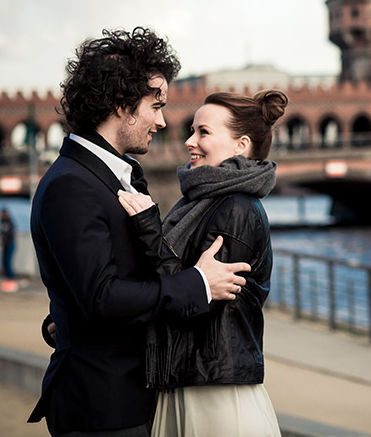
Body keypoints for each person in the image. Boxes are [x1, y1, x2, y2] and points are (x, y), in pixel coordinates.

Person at [28, 27, 250, 437]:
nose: (163, 121)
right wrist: (197, 284)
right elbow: (102, 297)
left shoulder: (118, 175)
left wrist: (65, 317)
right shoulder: (71, 186)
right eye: (155, 105)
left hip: (129, 395)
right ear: (121, 104)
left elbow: (99, 286)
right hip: (104, 407)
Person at [118, 89, 288, 436]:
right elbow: (185, 284)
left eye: (203, 132)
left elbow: (198, 300)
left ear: (241, 145)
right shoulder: (202, 203)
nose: (190, 141)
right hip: (190, 382)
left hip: (215, 391)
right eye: (192, 130)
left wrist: (150, 233)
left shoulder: (236, 208)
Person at [0, 207, 17, 289]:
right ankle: (8, 278)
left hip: (10, 243)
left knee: (8, 262)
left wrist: (6, 239)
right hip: (5, 244)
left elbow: (10, 233)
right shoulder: (1, 222)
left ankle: (11, 279)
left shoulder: (9, 222)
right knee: (4, 262)